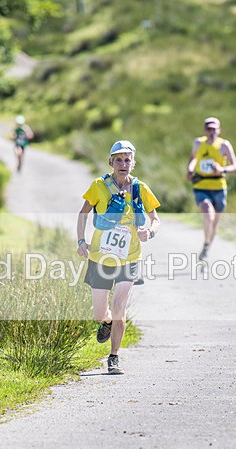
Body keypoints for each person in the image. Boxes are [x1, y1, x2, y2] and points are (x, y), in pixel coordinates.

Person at [77, 140, 161, 375]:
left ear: (133, 163)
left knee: (119, 309)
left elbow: (155, 219)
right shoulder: (98, 186)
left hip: (129, 258)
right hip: (100, 258)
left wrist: (150, 232)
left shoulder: (140, 188)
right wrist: (81, 241)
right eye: (118, 160)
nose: (123, 164)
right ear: (110, 162)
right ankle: (106, 322)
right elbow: (83, 213)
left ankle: (114, 357)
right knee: (99, 313)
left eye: (127, 160)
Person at [186, 116, 236, 261]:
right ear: (205, 130)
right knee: (207, 214)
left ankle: (206, 246)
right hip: (201, 185)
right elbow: (193, 159)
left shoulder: (224, 145)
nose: (212, 132)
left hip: (219, 187)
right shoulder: (198, 143)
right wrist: (190, 170)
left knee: (214, 224)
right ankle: (206, 245)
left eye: (214, 129)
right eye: (209, 129)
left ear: (219, 130)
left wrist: (222, 169)